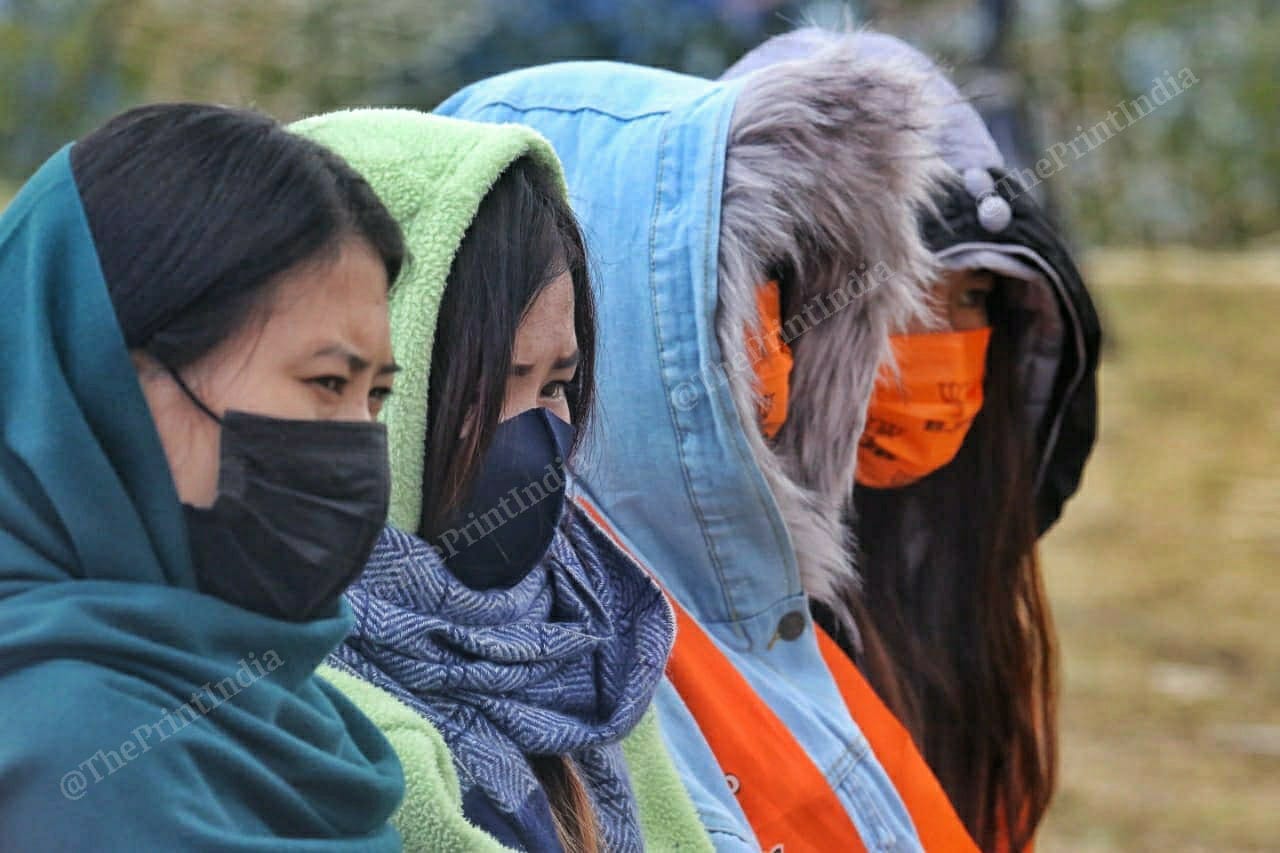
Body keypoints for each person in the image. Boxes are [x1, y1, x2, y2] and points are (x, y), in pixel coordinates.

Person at [438, 39, 983, 852]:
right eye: (734, 290)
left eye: (785, 286)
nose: (778, 343)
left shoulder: (766, 624)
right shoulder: (562, 680)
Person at [291, 108, 711, 853]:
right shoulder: (306, 708)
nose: (534, 433)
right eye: (493, 383)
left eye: (555, 385)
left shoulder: (590, 637)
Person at [724, 30, 1103, 851]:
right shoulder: (687, 614)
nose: (939, 338)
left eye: (970, 297)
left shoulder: (962, 584)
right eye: (898, 297)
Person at [0, 103, 406, 847]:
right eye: (325, 383)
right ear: (113, 388)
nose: (362, 445)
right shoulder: (73, 749)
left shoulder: (290, 711)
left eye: (376, 394)